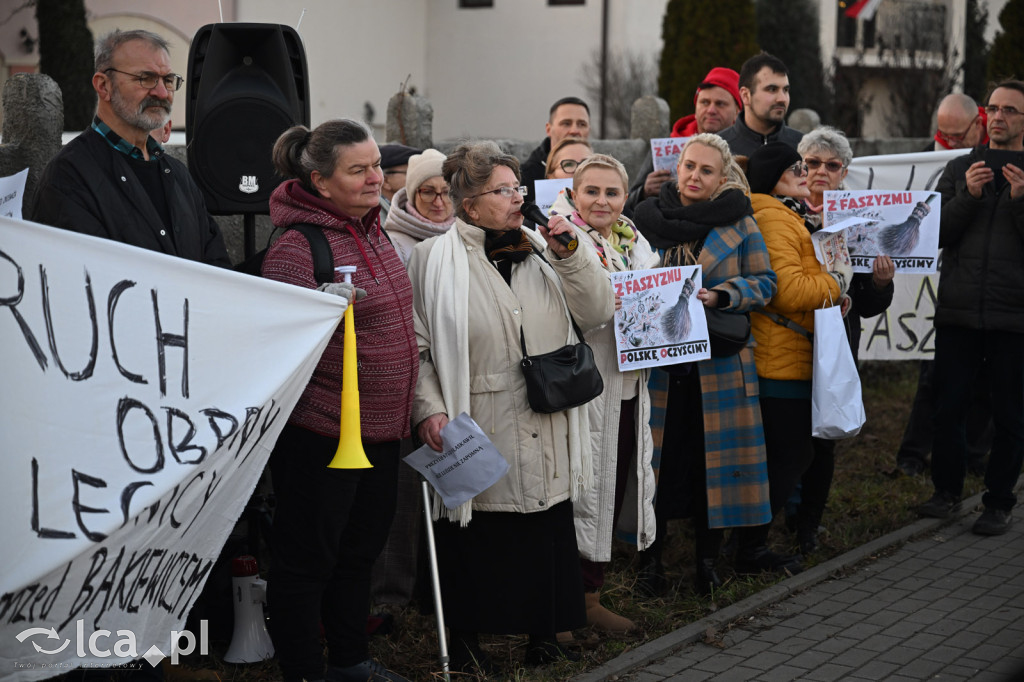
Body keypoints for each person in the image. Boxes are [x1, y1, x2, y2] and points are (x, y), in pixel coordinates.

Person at [407, 141, 613, 672]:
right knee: (478, 535)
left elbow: (595, 312)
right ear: (470, 204)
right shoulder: (431, 261)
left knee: (546, 523)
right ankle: (471, 642)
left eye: (519, 187)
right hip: (475, 414)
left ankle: (545, 635)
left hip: (547, 409)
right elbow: (419, 347)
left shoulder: (546, 248)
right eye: (504, 190)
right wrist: (429, 409)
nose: (518, 197)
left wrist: (573, 256)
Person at [262, 119, 418, 682]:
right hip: (321, 436)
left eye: (377, 164)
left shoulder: (374, 230)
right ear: (321, 182)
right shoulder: (297, 250)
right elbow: (279, 354)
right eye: (359, 170)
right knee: (308, 562)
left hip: (381, 432)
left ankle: (350, 661)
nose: (377, 176)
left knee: (359, 556)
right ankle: (303, 670)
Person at [633, 134, 777, 593]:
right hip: (658, 367)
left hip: (718, 364)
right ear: (677, 169)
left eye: (706, 170)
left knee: (711, 466)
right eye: (689, 166)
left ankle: (707, 564)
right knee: (656, 463)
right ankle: (649, 564)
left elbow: (765, 284)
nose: (695, 175)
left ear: (722, 179)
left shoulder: (740, 222)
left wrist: (722, 295)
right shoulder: (643, 218)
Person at [547, 154, 658, 632]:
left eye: (612, 192)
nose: (602, 201)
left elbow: (650, 294)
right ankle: (563, 606)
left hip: (629, 385)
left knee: (610, 485)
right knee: (578, 491)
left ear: (625, 196)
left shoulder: (633, 239)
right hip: (583, 385)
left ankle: (590, 598)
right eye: (591, 191)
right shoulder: (556, 238)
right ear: (573, 194)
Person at [916, 80, 1024, 536]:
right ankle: (946, 493)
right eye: (993, 108)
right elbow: (932, 234)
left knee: (1011, 415)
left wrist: (1021, 205)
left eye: (1011, 111)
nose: (998, 117)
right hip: (959, 310)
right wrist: (968, 197)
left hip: (1014, 318)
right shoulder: (962, 168)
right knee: (949, 407)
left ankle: (998, 502)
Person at [740, 141, 850, 574]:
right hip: (778, 358)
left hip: (789, 353)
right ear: (775, 177)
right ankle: (750, 549)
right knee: (789, 456)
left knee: (790, 455)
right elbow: (787, 292)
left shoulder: (788, 215)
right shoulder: (774, 218)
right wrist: (836, 283)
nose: (806, 173)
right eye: (796, 167)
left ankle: (751, 544)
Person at [31, 29, 228, 267]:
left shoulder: (178, 174)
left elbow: (217, 269)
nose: (162, 93)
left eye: (167, 80)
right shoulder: (68, 176)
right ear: (103, 86)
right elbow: (82, 284)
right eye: (146, 78)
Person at [792, 127, 894, 553]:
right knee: (785, 433)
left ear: (844, 172)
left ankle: (808, 526)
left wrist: (880, 282)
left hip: (835, 348)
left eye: (831, 166)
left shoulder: (856, 222)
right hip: (789, 340)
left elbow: (868, 305)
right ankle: (773, 517)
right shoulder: (783, 210)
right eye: (811, 163)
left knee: (822, 440)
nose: (820, 172)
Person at [897, 93, 993, 477]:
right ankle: (914, 453)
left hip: (987, 285)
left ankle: (973, 455)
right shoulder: (927, 160)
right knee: (933, 375)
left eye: (957, 137)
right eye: (943, 135)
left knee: (985, 377)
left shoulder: (1001, 160)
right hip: (945, 285)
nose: (948, 143)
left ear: (978, 126)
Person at [625, 67, 743, 214]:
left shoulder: (745, 148)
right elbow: (626, 202)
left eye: (720, 104)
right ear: (696, 106)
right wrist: (644, 191)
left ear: (738, 111)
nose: (711, 110)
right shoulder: (666, 145)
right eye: (705, 102)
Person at [718, 52, 803, 158]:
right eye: (772, 89)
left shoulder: (803, 147)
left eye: (785, 90)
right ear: (746, 96)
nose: (782, 99)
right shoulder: (718, 149)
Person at [383, 148, 455, 265]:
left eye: (446, 192)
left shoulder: (466, 237)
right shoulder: (392, 244)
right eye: (428, 192)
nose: (438, 203)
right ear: (412, 195)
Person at [521, 96, 591, 204]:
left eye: (582, 124)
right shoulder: (524, 177)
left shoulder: (604, 171)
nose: (574, 130)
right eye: (566, 123)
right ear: (549, 129)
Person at [378, 143, 421, 224]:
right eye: (410, 173)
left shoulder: (406, 208)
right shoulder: (374, 218)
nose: (418, 179)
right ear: (386, 181)